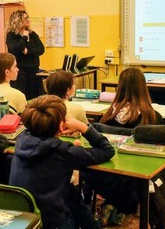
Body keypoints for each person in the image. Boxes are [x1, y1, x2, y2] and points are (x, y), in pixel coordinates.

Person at [9, 94, 115, 229]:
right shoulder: (63, 151)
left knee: (71, 191)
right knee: (72, 197)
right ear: (61, 125)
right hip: (51, 222)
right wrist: (83, 127)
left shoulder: (20, 141)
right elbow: (107, 150)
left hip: (23, 217)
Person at [85, 67, 165, 229]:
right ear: (143, 88)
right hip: (137, 182)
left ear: (120, 88)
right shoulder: (151, 117)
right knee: (164, 172)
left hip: (108, 181)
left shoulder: (107, 116)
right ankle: (157, 219)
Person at [6, 10, 45, 100]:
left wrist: (28, 52)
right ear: (17, 20)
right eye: (25, 18)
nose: (28, 20)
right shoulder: (11, 35)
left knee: (34, 98)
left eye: (28, 18)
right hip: (20, 73)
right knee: (21, 97)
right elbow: (15, 48)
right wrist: (24, 37)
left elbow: (41, 49)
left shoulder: (32, 34)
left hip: (34, 71)